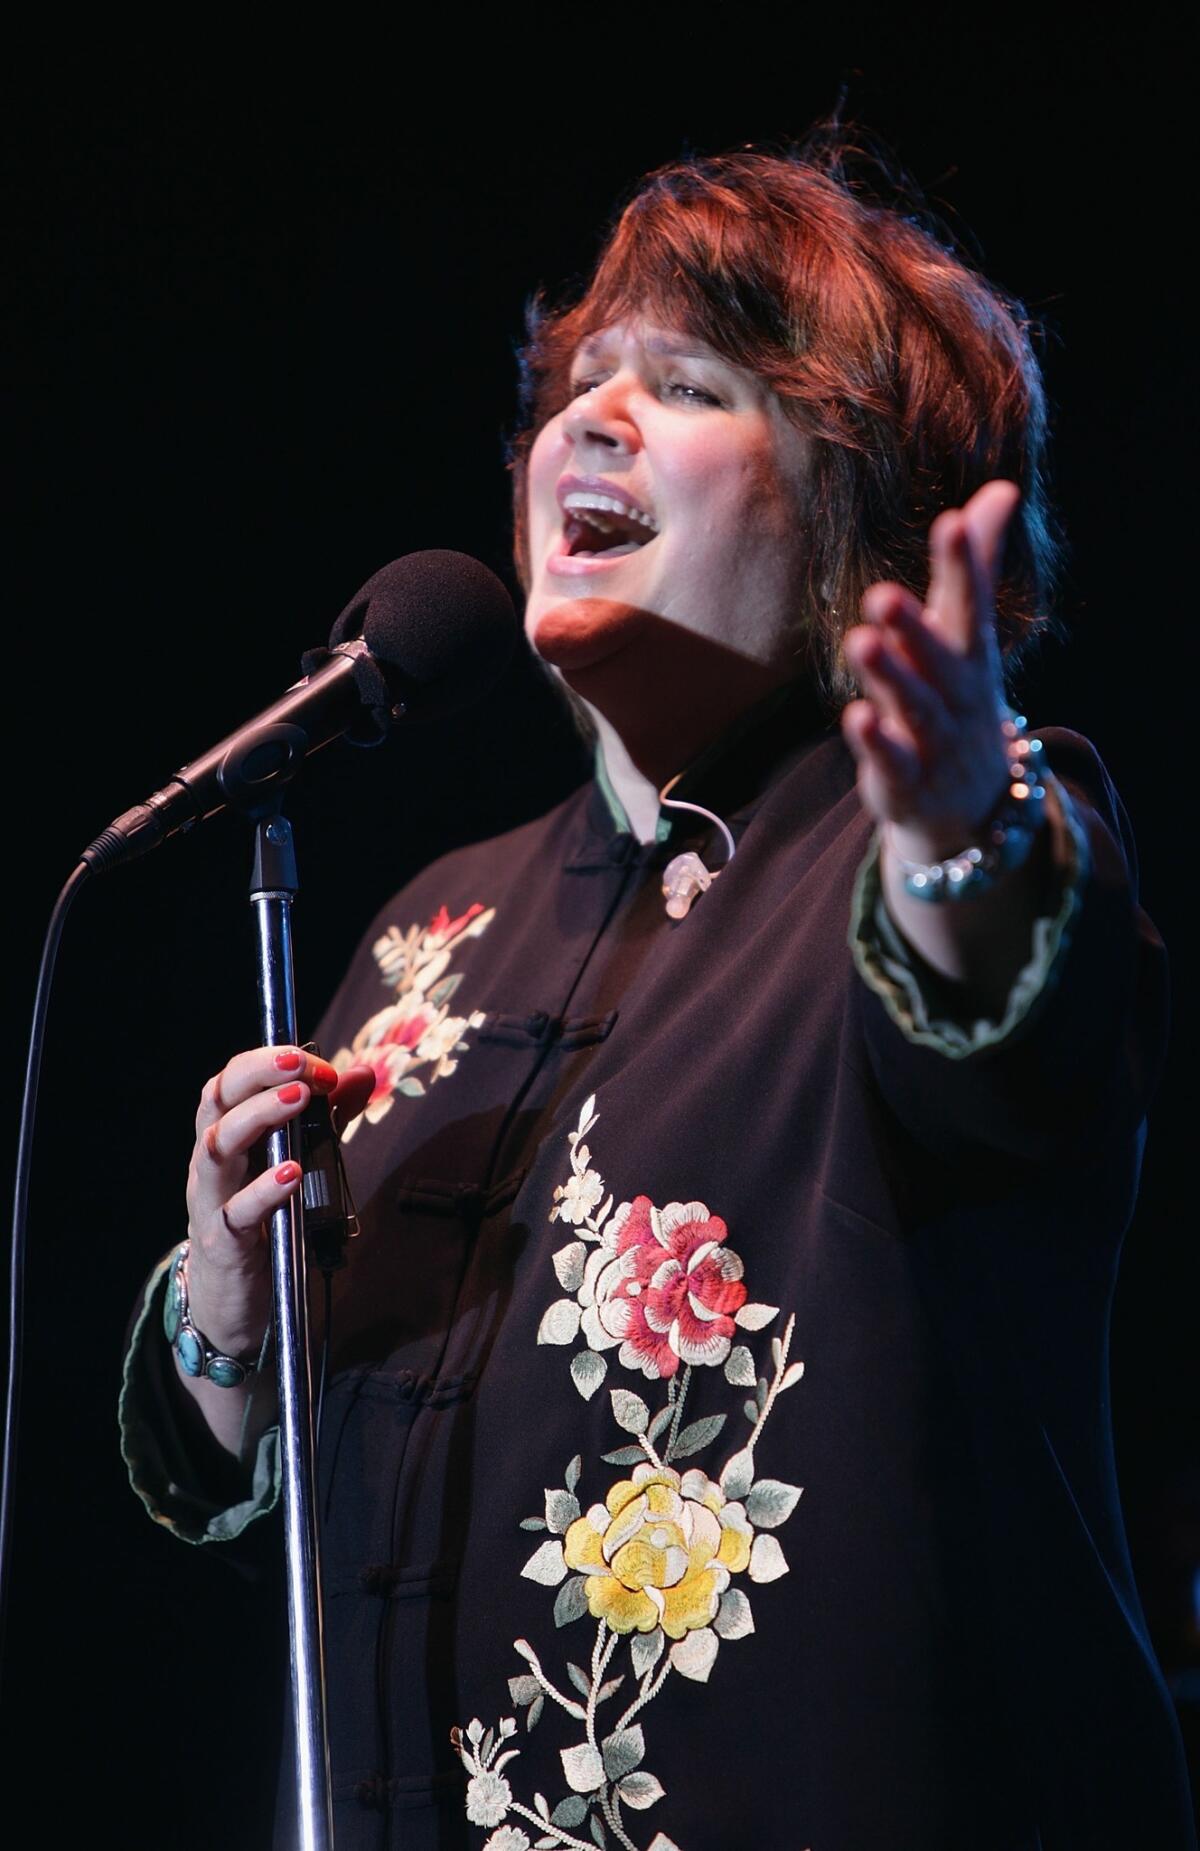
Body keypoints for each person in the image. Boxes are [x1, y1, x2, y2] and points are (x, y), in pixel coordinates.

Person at [120, 140, 1196, 1849]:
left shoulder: (948, 830)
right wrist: (228, 1314)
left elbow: (1012, 1011)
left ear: (855, 499)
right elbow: (230, 1487)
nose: (589, 424)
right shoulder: (426, 936)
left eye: (685, 385)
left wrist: (950, 839)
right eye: (577, 385)